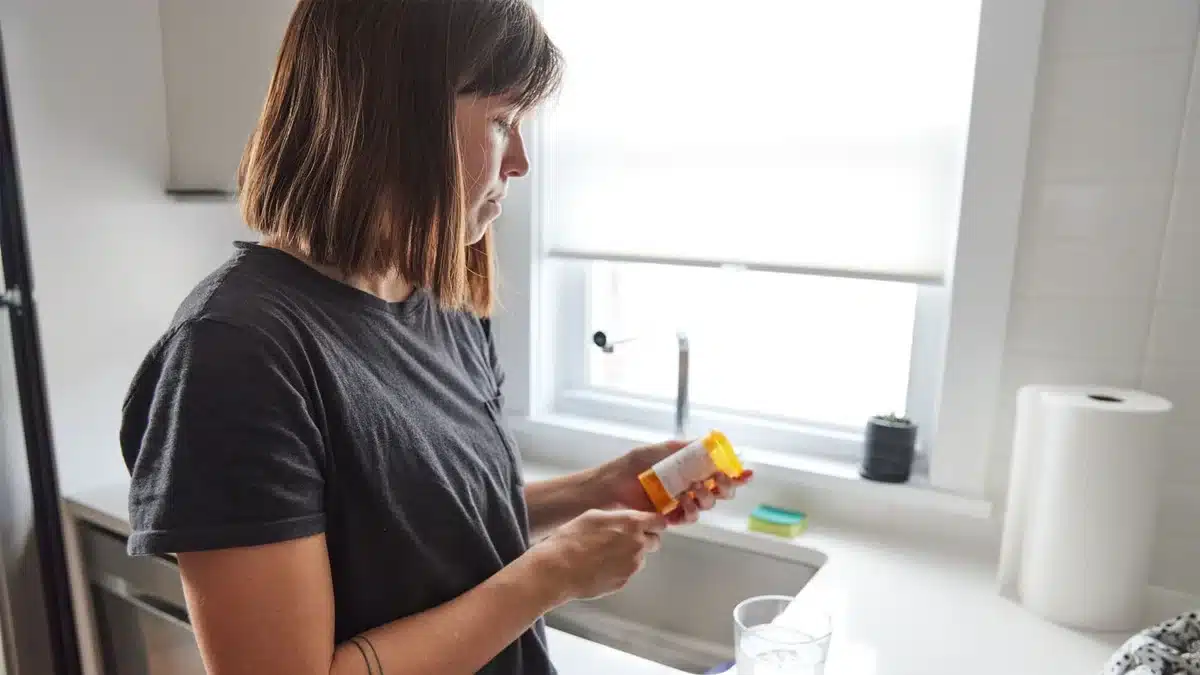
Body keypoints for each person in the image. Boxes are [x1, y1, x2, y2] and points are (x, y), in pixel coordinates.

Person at [119, 1, 751, 674]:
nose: (521, 162)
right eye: (503, 121)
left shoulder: (438, 303)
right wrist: (551, 574)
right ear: (398, 116)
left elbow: (418, 529)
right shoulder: (235, 353)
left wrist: (597, 487)